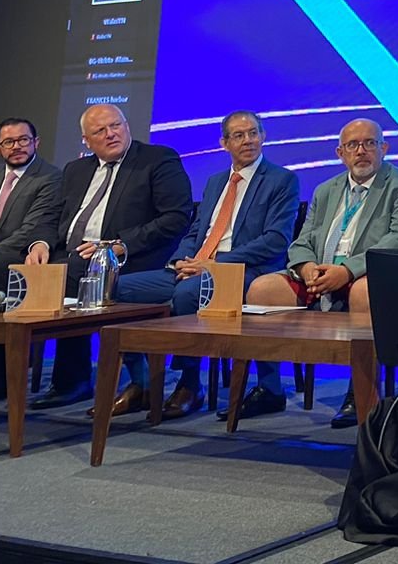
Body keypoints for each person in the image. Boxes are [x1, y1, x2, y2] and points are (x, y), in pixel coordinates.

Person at [112, 111, 299, 419]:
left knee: (188, 294)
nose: (248, 140)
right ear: (224, 143)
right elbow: (197, 231)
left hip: (245, 270)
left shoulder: (282, 180)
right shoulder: (215, 182)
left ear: (263, 136)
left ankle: (189, 384)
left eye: (253, 133)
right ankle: (141, 383)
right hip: (197, 266)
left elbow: (275, 240)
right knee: (118, 288)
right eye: (238, 135)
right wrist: (181, 261)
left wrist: (213, 264)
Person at [244, 118, 398, 427]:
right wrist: (306, 267)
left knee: (363, 291)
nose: (361, 151)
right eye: (353, 145)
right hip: (321, 275)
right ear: (340, 153)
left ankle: (360, 392)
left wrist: (346, 271)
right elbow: (302, 240)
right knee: (262, 289)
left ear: (384, 148)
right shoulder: (326, 190)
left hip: (371, 275)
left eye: (369, 143)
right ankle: (270, 387)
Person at [25, 104, 191, 409]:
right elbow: (51, 216)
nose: (111, 133)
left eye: (115, 125)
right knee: (27, 270)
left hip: (131, 257)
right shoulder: (76, 170)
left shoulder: (157, 159)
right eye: (100, 130)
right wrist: (40, 243)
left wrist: (118, 245)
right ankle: (5, 374)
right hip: (71, 254)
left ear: (127, 126)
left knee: (72, 272)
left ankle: (73, 380)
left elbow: (176, 218)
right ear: (86, 141)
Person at [0, 118, 63, 402]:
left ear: (36, 142)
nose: (17, 146)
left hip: (30, 257)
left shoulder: (51, 178)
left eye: (23, 140)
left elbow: (32, 230)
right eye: (9, 142)